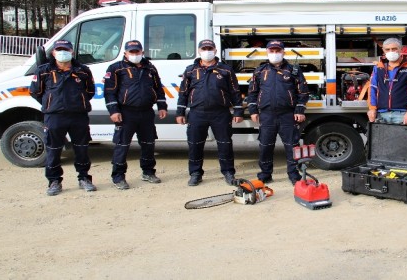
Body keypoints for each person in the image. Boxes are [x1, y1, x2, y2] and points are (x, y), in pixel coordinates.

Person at [29, 40, 96, 196]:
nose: (62, 52)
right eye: (59, 49)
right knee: (53, 150)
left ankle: (84, 178)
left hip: (78, 116)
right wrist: (50, 103)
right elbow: (35, 92)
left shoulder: (83, 71)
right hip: (54, 117)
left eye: (65, 49)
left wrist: (79, 102)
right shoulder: (43, 71)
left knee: (82, 149)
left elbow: (90, 91)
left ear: (72, 52)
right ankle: (54, 181)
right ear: (53, 53)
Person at [176, 40, 244, 186]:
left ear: (215, 50)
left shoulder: (226, 70)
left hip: (220, 113)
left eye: (210, 48)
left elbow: (235, 92)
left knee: (225, 144)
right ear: (199, 51)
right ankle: (195, 173)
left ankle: (228, 172)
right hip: (197, 113)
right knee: (195, 144)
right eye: (204, 48)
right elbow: (183, 93)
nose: (207, 51)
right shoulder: (190, 70)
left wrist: (238, 111)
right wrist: (180, 112)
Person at [103, 40, 167, 189]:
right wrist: (114, 111)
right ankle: (118, 176)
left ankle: (148, 172)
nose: (135, 54)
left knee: (148, 144)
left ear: (142, 52)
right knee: (122, 145)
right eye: (131, 52)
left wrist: (162, 106)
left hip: (146, 112)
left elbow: (158, 88)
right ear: (125, 53)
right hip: (126, 113)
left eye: (137, 51)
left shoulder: (150, 68)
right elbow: (109, 92)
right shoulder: (116, 68)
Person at [247, 40, 309, 185]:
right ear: (267, 52)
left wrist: (299, 110)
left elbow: (303, 92)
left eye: (278, 51)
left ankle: (294, 175)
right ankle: (265, 174)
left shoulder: (293, 70)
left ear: (283, 52)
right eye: (272, 51)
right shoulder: (260, 70)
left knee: (291, 146)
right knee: (265, 146)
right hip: (267, 114)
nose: (275, 54)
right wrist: (253, 110)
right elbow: (252, 92)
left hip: (287, 115)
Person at [367, 37, 407, 125]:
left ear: (401, 49)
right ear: (383, 50)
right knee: (380, 139)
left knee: (402, 139)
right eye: (387, 49)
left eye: (394, 49)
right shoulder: (378, 66)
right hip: (381, 114)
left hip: (402, 114)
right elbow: (372, 87)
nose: (391, 52)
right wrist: (372, 108)